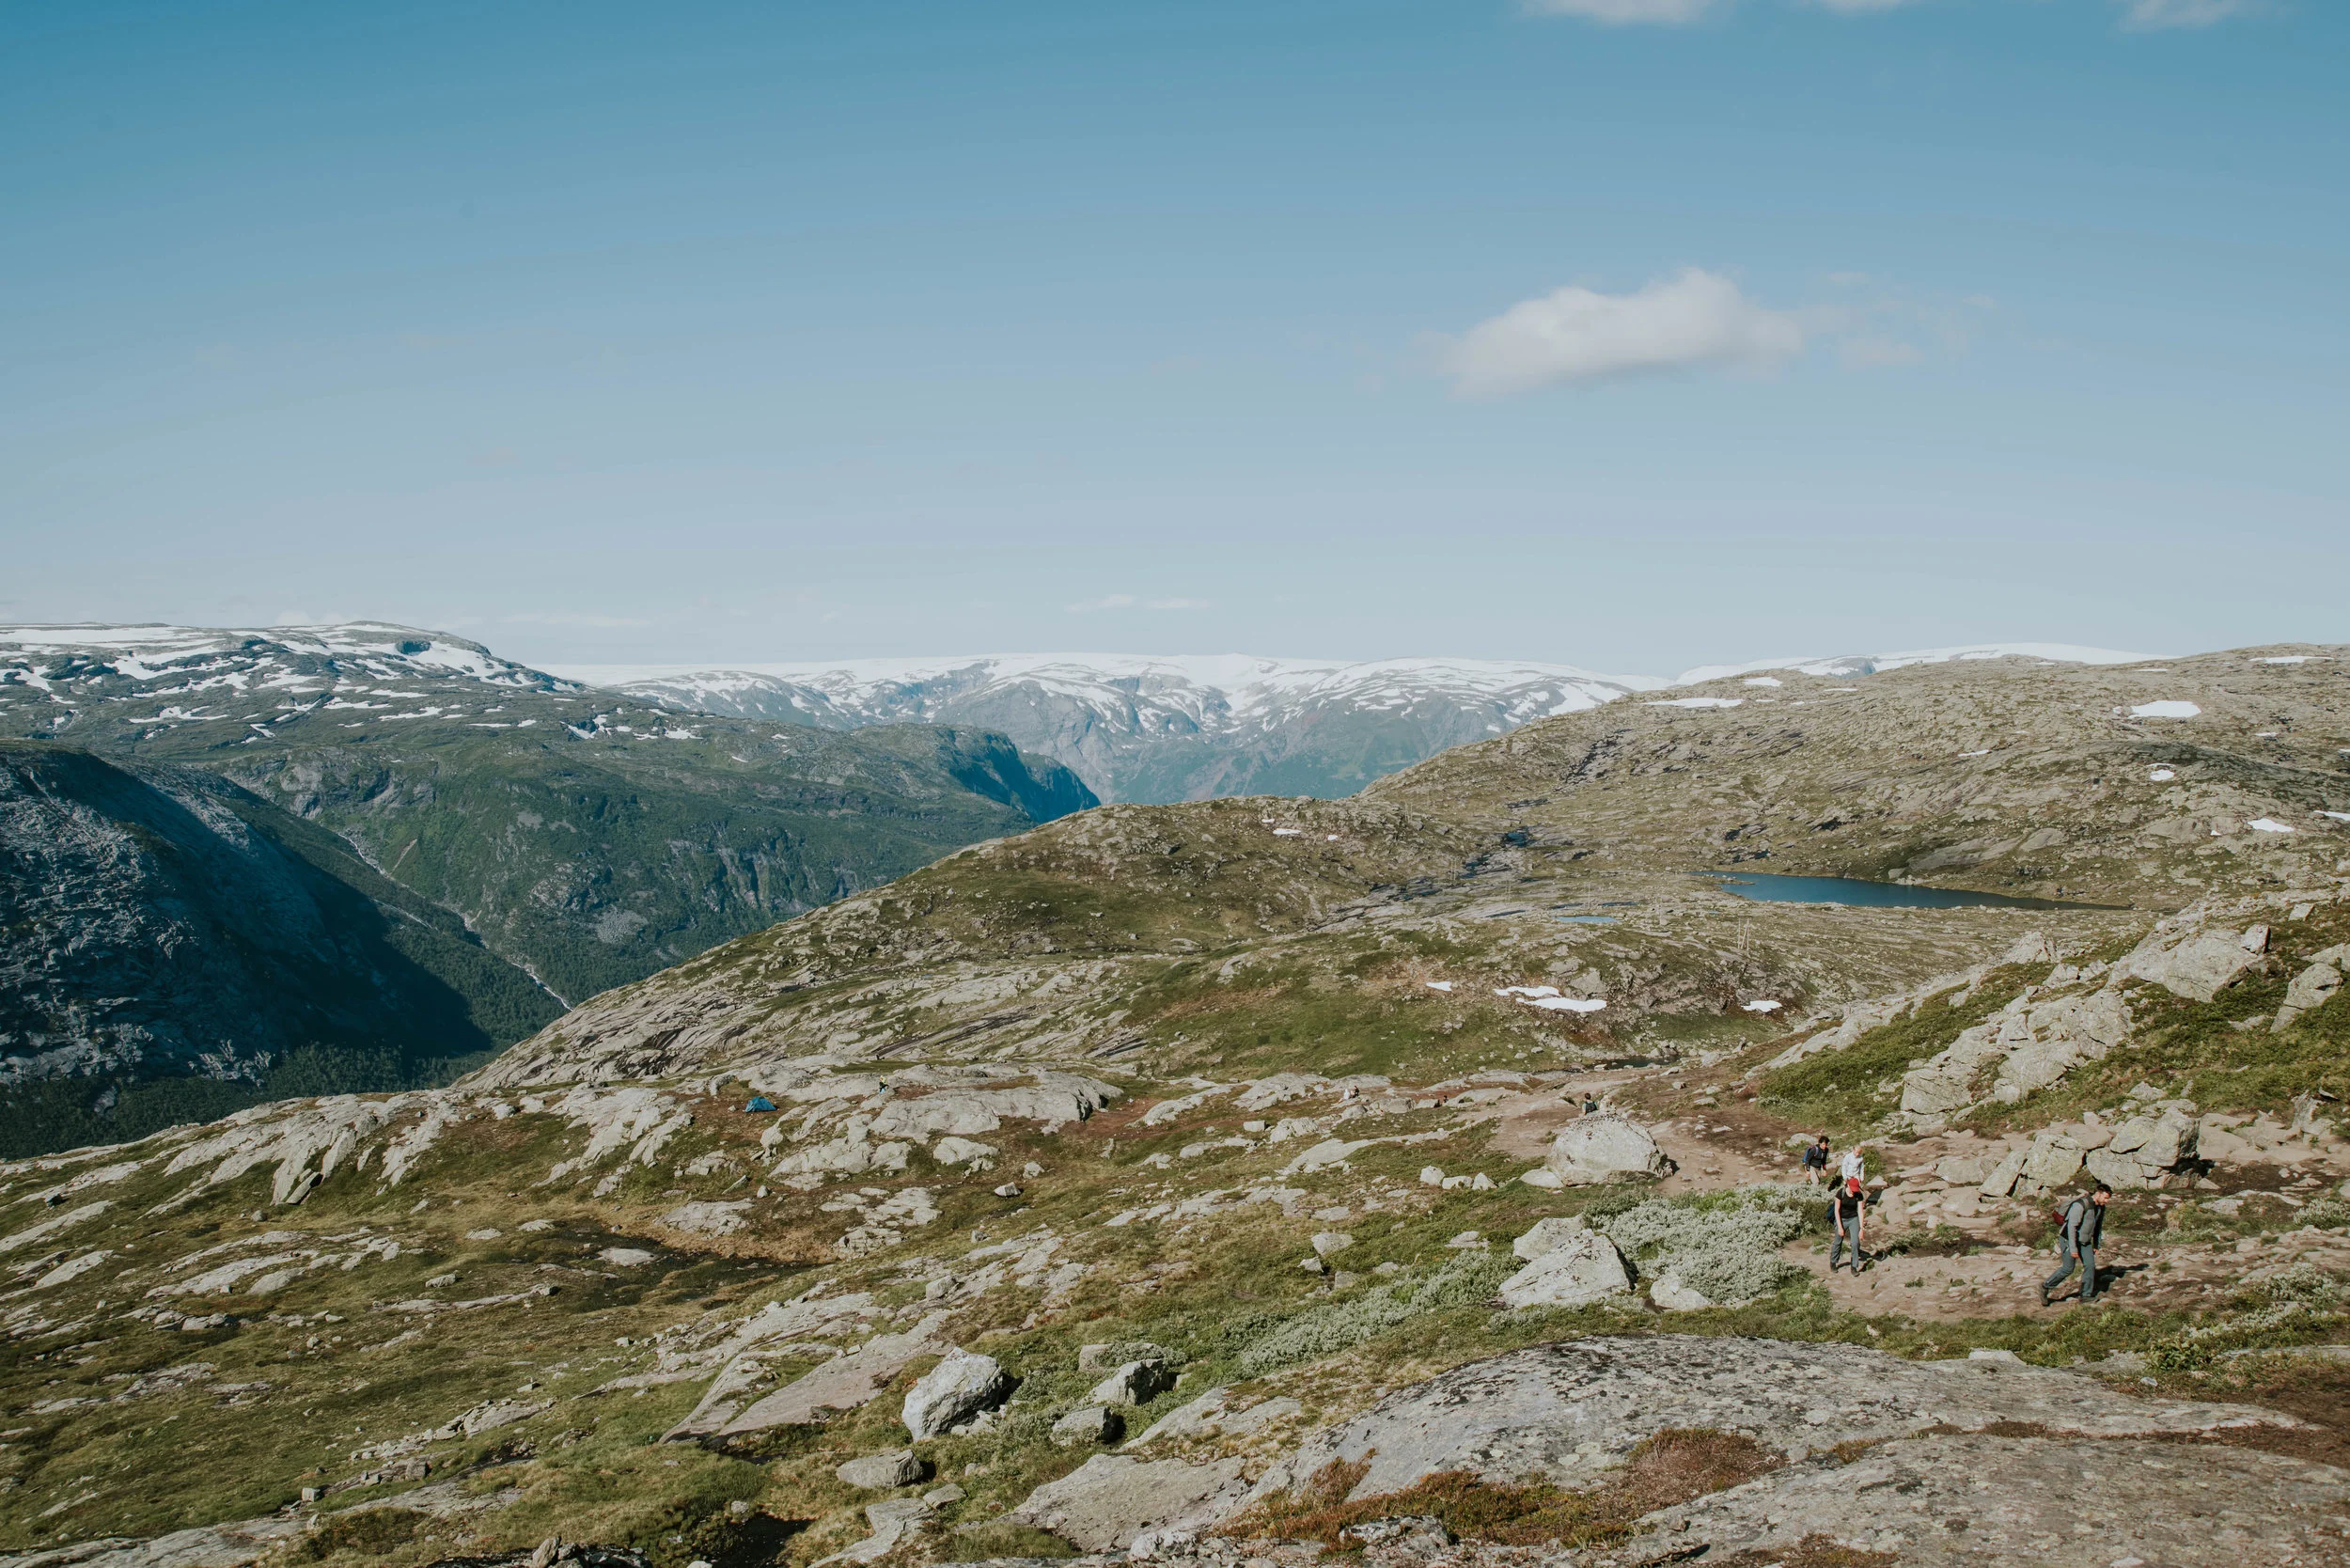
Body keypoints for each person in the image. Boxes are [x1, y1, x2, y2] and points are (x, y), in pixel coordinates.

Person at [2042, 1182, 2111, 1306]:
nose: (2107, 1201)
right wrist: (2073, 1248)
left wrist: (2096, 1244)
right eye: (2106, 1198)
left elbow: (2098, 1226)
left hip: (2085, 1241)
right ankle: (2045, 1286)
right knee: (2068, 1269)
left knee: (2090, 1266)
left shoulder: (2100, 1207)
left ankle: (2085, 1295)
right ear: (2099, 1194)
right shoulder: (2080, 1205)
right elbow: (2071, 1227)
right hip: (2069, 1239)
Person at [1828, 1176, 1866, 1274]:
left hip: (1853, 1218)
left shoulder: (1859, 1195)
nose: (1854, 1191)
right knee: (1838, 1241)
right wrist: (1840, 1227)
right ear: (1848, 1185)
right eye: (1852, 1189)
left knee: (1855, 1243)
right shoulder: (1841, 1193)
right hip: (1841, 1218)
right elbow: (1836, 1210)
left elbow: (1860, 1212)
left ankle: (1854, 1266)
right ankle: (1833, 1262)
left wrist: (1861, 1229)